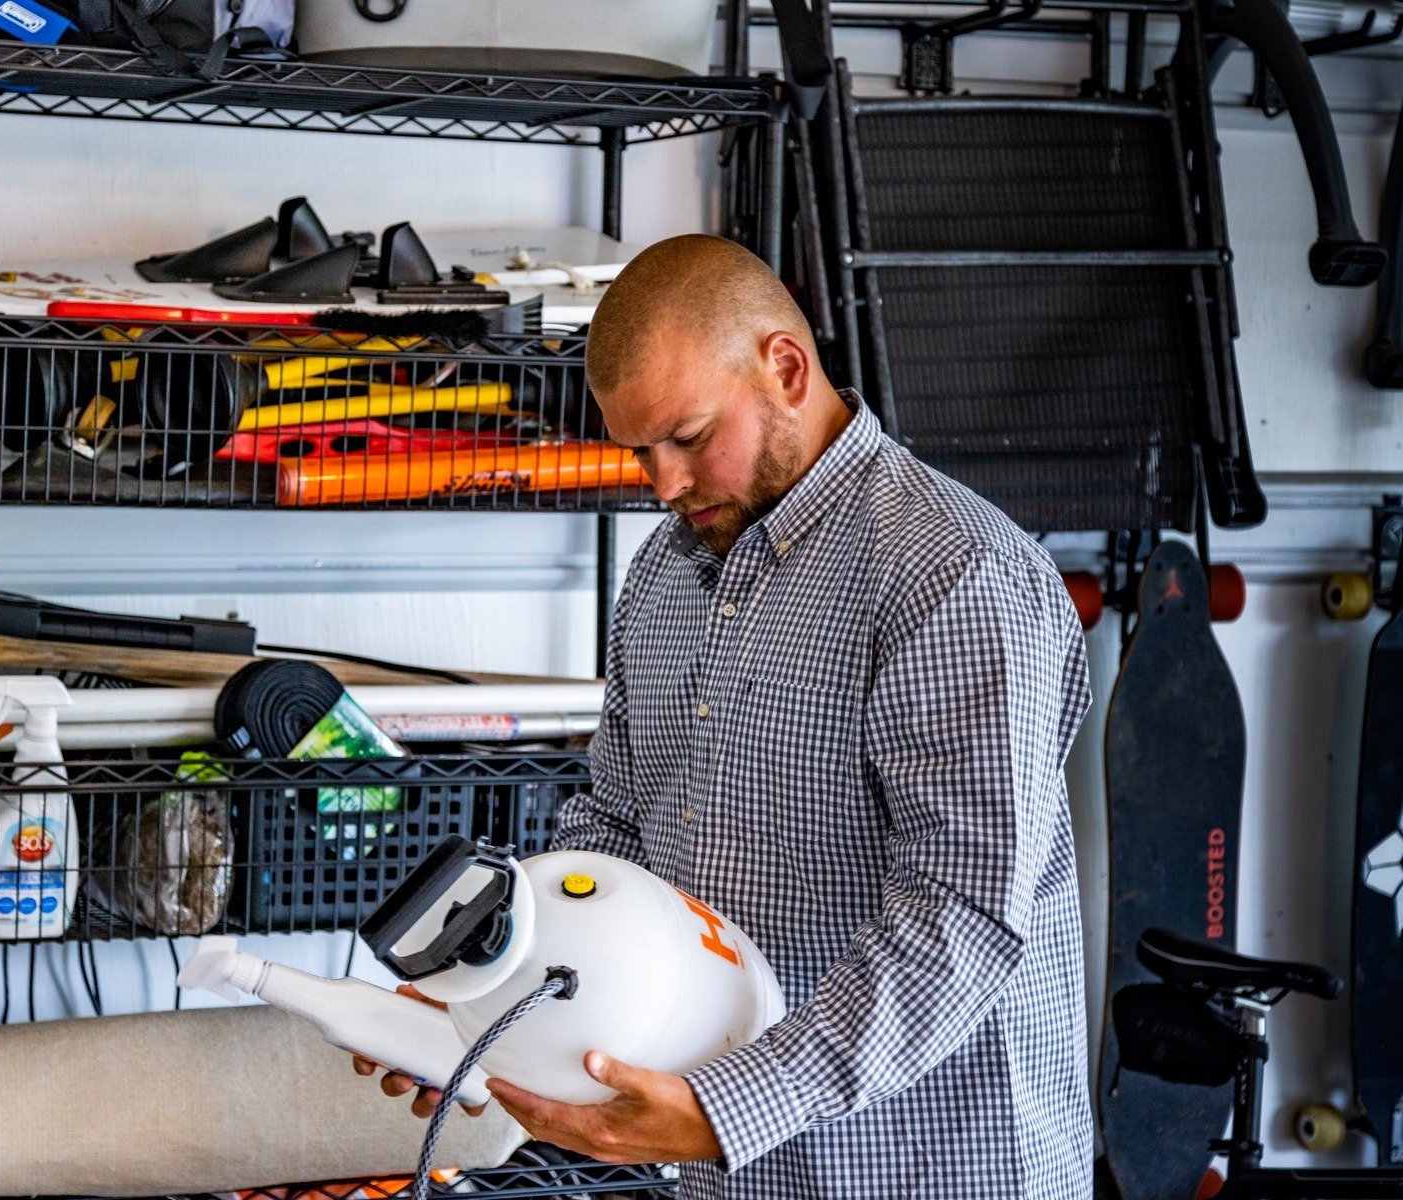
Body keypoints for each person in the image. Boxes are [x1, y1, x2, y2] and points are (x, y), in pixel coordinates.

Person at [355, 234, 1093, 1199]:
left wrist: (729, 1109)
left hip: (926, 1166)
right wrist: (488, 1004)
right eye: (640, 451)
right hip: (718, 1175)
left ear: (784, 367)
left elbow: (962, 915)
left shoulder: (951, 576)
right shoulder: (667, 574)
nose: (662, 485)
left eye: (690, 438)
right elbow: (610, 840)